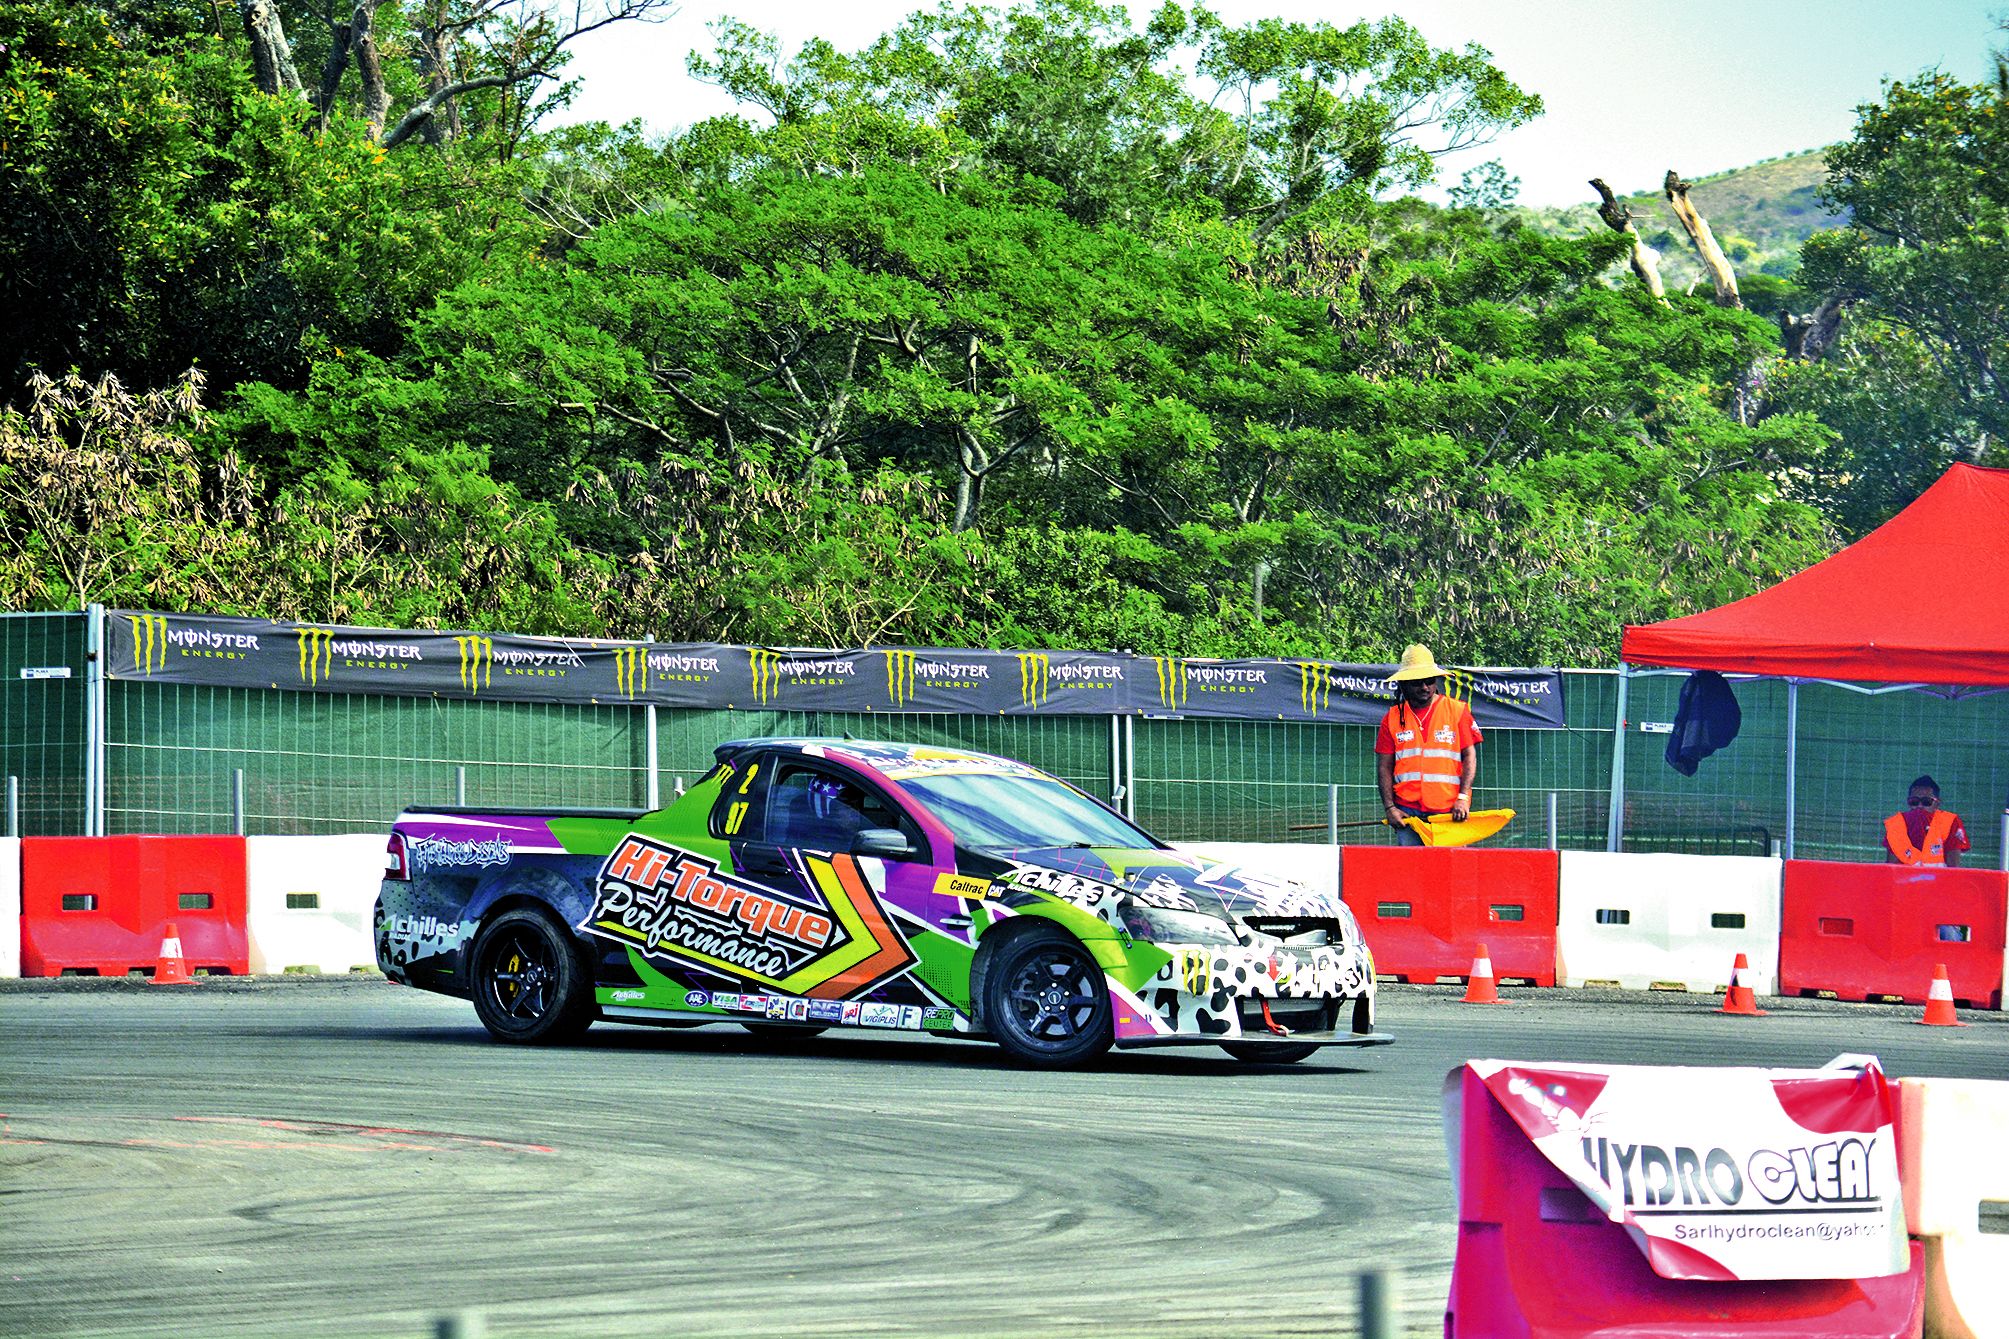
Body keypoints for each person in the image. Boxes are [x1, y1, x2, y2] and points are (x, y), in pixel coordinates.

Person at [1375, 643, 1482, 847]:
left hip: (1450, 813)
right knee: (1413, 873)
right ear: (1404, 684)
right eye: (1417, 682)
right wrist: (1389, 807)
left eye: (1429, 681)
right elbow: (1384, 766)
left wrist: (1462, 797)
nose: (1424, 687)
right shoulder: (1392, 718)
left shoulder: (1457, 711)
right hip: (1408, 814)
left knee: (1451, 873)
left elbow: (1470, 756)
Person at [1882, 775, 1968, 868]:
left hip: (1938, 881)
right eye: (1914, 802)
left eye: (1926, 802)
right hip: (1905, 881)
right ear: (1908, 802)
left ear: (1937, 804)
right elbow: (1891, 867)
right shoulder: (1897, 824)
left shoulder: (1950, 822)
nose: (1920, 806)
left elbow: (1954, 866)